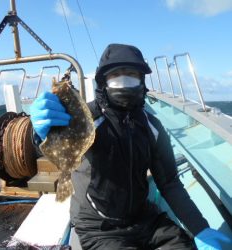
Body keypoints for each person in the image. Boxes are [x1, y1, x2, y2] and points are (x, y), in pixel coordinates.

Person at [30, 44, 232, 250]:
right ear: (103, 82)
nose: (124, 80)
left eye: (131, 74)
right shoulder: (86, 117)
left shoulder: (152, 125)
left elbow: (169, 181)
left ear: (141, 79)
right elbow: (48, 146)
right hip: (99, 228)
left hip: (145, 219)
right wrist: (38, 133)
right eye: (116, 74)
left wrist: (199, 228)